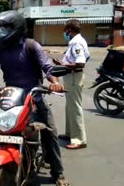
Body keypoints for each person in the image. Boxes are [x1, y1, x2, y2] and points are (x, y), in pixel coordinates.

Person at [0, 10, 70, 186]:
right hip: (11, 98)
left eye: (6, 28)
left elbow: (47, 68)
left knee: (50, 133)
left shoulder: (31, 46)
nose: (2, 32)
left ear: (17, 27)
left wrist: (55, 82)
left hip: (34, 97)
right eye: (0, 28)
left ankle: (58, 173)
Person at [53, 19, 89, 150]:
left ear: (69, 30)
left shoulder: (76, 42)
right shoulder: (77, 41)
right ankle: (70, 134)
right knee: (69, 107)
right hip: (71, 76)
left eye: (65, 30)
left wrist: (62, 65)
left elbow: (81, 63)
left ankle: (79, 140)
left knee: (75, 108)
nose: (65, 33)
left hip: (74, 76)